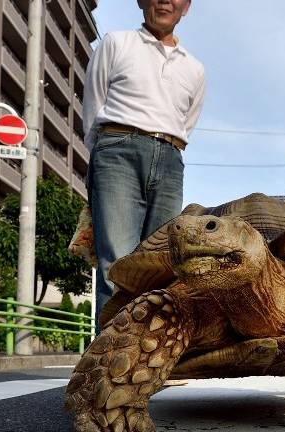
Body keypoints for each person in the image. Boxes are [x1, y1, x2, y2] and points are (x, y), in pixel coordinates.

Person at [82, 0, 205, 333]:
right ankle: (107, 365)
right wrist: (104, 154)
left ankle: (143, 359)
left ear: (187, 7)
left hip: (170, 157)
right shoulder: (116, 43)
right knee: (118, 264)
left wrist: (165, 147)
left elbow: (186, 122)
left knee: (160, 266)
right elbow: (92, 108)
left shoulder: (194, 69)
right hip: (116, 149)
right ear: (140, 1)